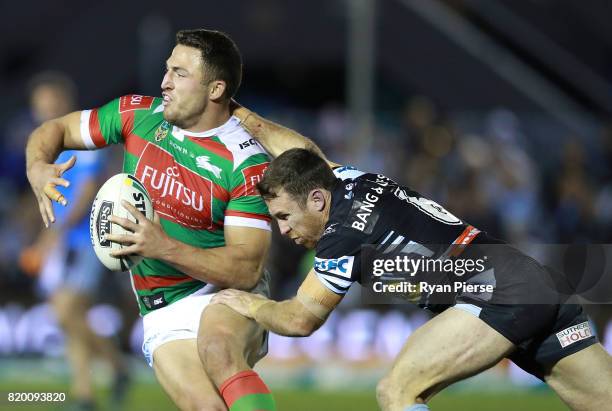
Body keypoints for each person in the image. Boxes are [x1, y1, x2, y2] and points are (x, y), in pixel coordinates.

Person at [210, 109, 612, 411]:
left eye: (284, 217)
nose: (284, 231)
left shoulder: (341, 236)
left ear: (316, 201)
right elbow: (304, 155)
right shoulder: (349, 180)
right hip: (527, 278)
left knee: (397, 390)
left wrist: (252, 304)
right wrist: (243, 116)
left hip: (493, 291)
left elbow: (300, 319)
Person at [25, 30, 276, 411]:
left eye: (179, 73)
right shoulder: (137, 114)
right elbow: (55, 129)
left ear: (215, 89)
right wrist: (38, 165)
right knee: (205, 407)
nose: (165, 82)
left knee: (218, 349)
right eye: (166, 69)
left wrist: (162, 246)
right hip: (162, 307)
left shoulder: (246, 163)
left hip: (224, 293)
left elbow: (246, 270)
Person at [19, 73, 129, 411]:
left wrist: (53, 234)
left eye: (52, 103)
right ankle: (85, 393)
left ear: (66, 103)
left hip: (89, 240)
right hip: (63, 241)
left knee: (66, 310)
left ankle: (116, 366)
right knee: (68, 318)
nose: (46, 110)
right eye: (41, 105)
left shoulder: (83, 138)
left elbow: (86, 191)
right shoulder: (46, 148)